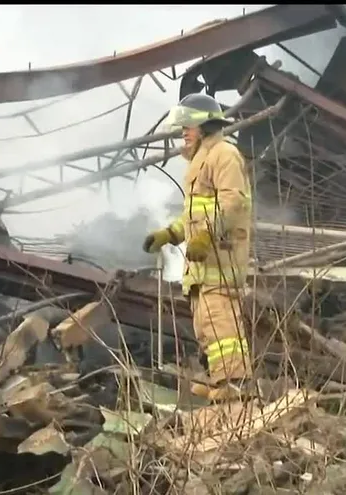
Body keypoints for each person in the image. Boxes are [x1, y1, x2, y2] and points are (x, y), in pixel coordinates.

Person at [142, 93, 254, 402]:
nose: (183, 134)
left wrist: (206, 237)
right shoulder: (202, 159)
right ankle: (219, 381)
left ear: (204, 126)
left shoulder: (223, 154)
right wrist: (171, 233)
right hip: (203, 262)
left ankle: (234, 385)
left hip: (221, 257)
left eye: (187, 128)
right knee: (206, 324)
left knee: (222, 321)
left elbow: (233, 203)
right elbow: (194, 216)